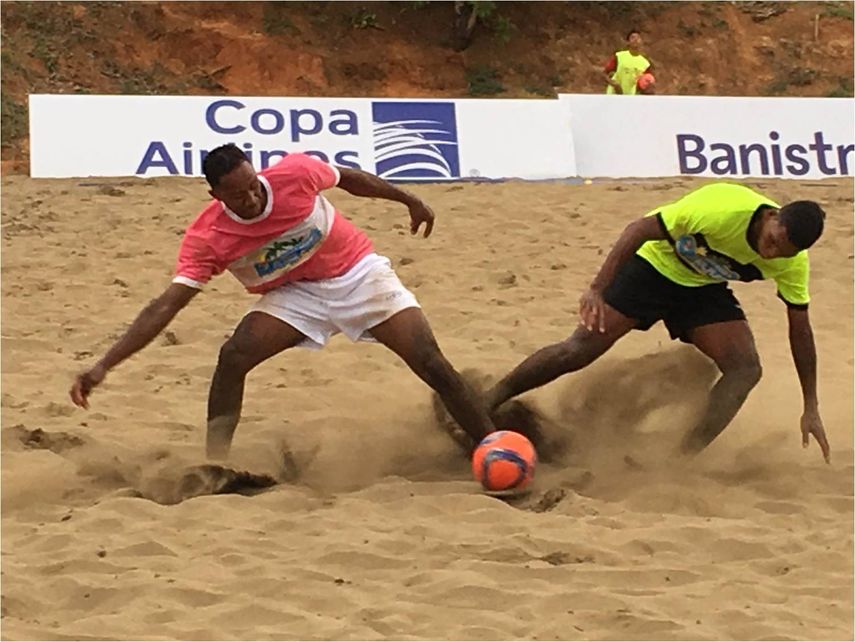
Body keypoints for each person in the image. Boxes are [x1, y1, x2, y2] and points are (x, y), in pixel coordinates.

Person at [70, 144, 499, 459]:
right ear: (216, 196)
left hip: (357, 273)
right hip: (295, 296)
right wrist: (104, 365)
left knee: (430, 361)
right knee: (234, 356)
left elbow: (348, 178)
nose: (252, 198)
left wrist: (409, 199)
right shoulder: (208, 237)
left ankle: (492, 444)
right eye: (238, 195)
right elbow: (166, 305)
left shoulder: (295, 174)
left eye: (253, 186)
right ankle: (215, 462)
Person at [483, 182, 831, 463]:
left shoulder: (792, 264)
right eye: (771, 242)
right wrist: (597, 290)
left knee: (746, 369)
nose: (769, 254)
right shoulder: (722, 208)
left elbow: (800, 329)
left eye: (781, 253)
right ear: (771, 216)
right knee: (578, 351)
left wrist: (811, 405)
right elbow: (638, 229)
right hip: (652, 267)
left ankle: (679, 458)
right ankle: (486, 401)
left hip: (701, 288)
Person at [604, 28, 653, 95]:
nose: (636, 40)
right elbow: (605, 74)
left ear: (641, 41)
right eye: (632, 38)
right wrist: (614, 84)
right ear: (628, 42)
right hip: (614, 97)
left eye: (638, 38)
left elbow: (647, 83)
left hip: (632, 100)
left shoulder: (645, 63)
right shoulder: (619, 56)